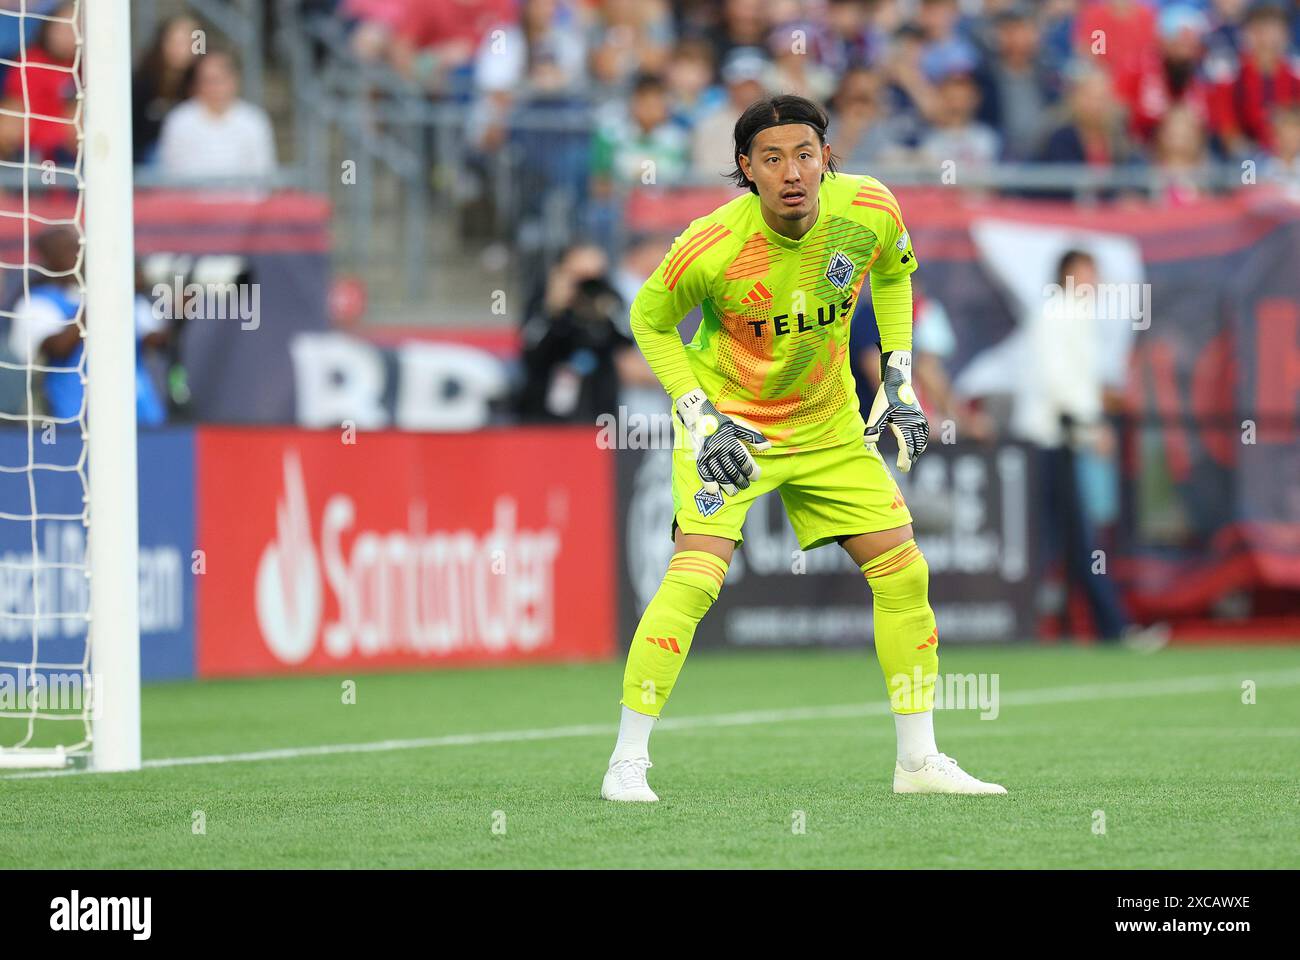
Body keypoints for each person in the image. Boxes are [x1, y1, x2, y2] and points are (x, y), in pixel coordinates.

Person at [601, 94, 1007, 803]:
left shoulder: (870, 208)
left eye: (804, 154)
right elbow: (648, 317)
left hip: (827, 427)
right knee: (696, 579)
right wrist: (698, 418)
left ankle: (918, 762)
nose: (792, 172)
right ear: (745, 170)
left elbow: (894, 272)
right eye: (771, 158)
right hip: (734, 428)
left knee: (904, 574)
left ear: (826, 158)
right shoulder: (712, 243)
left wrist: (901, 381)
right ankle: (626, 762)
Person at [156, 49, 277, 181]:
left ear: (234, 80)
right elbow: (173, 175)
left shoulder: (254, 120)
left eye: (219, 79)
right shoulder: (179, 120)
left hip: (242, 200)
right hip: (190, 200)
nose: (214, 87)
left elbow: (262, 175)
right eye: (207, 80)